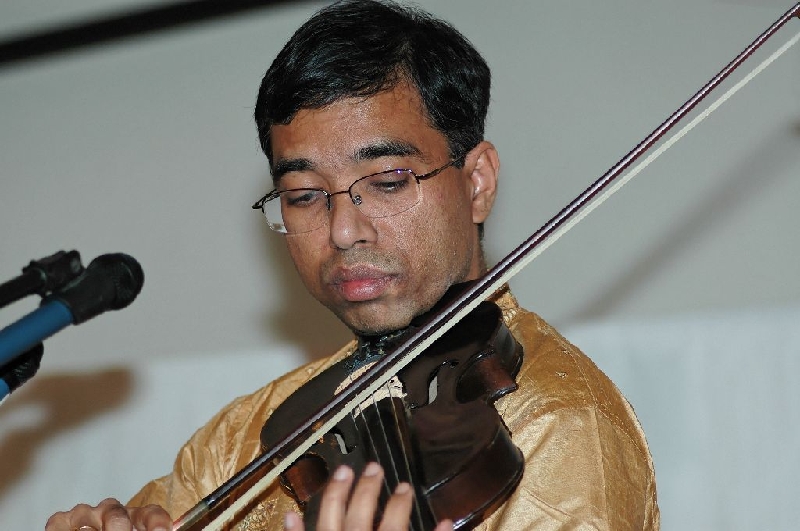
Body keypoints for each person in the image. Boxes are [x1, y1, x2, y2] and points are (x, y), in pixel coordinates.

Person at [45, 1, 659, 530]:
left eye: (388, 182)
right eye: (304, 195)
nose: (342, 230)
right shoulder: (240, 440)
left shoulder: (563, 426)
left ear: (477, 182)